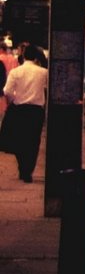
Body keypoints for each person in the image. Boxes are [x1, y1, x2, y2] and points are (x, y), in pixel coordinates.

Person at [1, 44, 51, 183]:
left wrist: (14, 99)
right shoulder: (43, 72)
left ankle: (22, 167)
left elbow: (7, 91)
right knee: (33, 141)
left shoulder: (16, 72)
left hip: (19, 109)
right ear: (36, 58)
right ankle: (28, 169)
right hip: (36, 110)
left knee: (20, 139)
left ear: (23, 56)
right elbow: (47, 89)